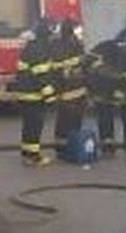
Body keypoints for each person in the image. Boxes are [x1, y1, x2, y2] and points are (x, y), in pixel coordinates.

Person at [15, 20, 56, 166]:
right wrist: (50, 97)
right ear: (46, 35)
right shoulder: (39, 49)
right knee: (35, 126)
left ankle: (27, 153)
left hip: (25, 93)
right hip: (33, 94)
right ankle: (33, 156)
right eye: (51, 35)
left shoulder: (32, 46)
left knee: (29, 125)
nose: (52, 38)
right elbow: (41, 74)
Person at [51, 19, 87, 154]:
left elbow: (55, 66)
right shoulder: (75, 44)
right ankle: (71, 146)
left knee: (64, 120)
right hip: (75, 89)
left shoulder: (56, 44)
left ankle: (62, 146)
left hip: (66, 89)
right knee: (74, 121)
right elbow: (81, 62)